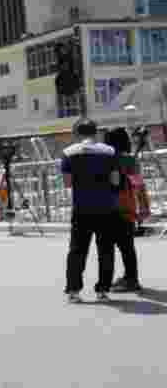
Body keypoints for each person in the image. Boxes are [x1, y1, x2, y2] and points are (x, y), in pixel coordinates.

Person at [61, 118, 122, 303]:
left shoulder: (68, 153)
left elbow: (68, 182)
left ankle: (73, 291)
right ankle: (103, 290)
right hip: (106, 208)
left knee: (77, 250)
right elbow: (116, 180)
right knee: (106, 250)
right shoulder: (110, 151)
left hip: (82, 208)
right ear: (96, 132)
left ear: (77, 133)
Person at [103, 127, 145, 292]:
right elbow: (137, 183)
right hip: (129, 204)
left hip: (113, 205)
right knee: (127, 245)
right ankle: (131, 277)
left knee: (110, 246)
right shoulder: (131, 160)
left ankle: (127, 279)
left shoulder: (107, 160)